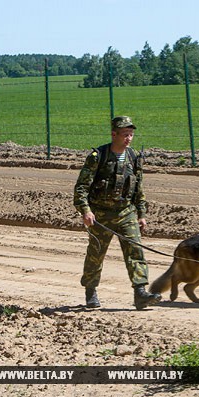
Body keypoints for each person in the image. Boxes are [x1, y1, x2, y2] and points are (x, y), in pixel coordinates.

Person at [74, 116, 161, 310]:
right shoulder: (99, 157)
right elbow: (81, 187)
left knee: (135, 250)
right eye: (125, 134)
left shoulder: (133, 157)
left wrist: (141, 214)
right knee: (96, 253)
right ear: (114, 134)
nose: (129, 138)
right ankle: (90, 291)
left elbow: (138, 188)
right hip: (101, 215)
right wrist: (85, 210)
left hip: (126, 212)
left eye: (131, 134)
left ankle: (140, 293)